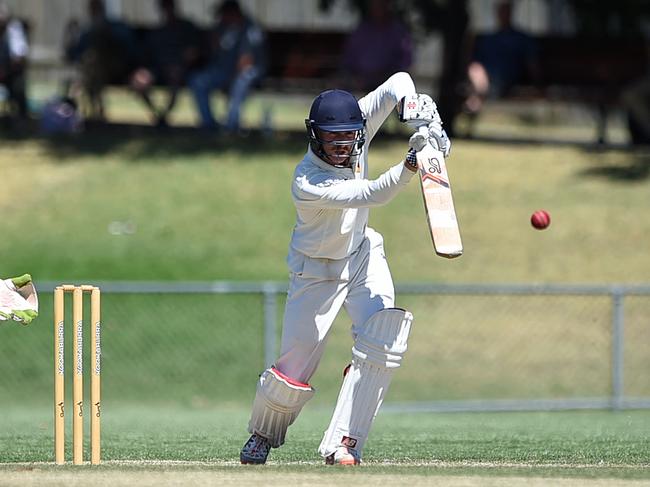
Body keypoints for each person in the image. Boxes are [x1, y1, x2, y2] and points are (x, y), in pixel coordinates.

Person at [239, 72, 451, 466]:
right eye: (331, 140)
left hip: (361, 253)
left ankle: (344, 444)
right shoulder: (309, 180)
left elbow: (398, 81)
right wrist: (411, 162)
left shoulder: (358, 125)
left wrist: (418, 112)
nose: (341, 148)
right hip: (315, 272)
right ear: (315, 136)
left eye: (347, 139)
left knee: (384, 339)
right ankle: (262, 435)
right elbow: (372, 193)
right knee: (295, 367)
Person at [188, 0, 266, 132]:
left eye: (223, 15)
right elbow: (215, 55)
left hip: (247, 73)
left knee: (241, 81)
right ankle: (209, 125)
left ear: (233, 13)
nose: (221, 18)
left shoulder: (251, 29)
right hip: (225, 72)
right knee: (198, 81)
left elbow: (246, 61)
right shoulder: (226, 28)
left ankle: (231, 126)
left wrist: (231, 79)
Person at [131, 0, 201, 128]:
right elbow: (145, 56)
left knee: (174, 76)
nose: (167, 11)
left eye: (169, 6)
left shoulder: (186, 28)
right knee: (139, 80)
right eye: (164, 7)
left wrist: (180, 65)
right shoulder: (157, 32)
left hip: (179, 69)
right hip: (157, 69)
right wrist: (143, 70)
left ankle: (166, 115)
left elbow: (193, 53)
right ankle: (158, 114)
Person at [64, 0, 137, 120]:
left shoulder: (116, 27)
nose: (94, 12)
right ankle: (94, 110)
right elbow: (73, 55)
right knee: (91, 63)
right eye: (92, 9)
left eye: (97, 8)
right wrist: (71, 34)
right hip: (92, 72)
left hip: (117, 70)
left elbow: (130, 50)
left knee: (92, 65)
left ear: (103, 9)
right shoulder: (87, 32)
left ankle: (93, 110)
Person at [464, 0, 539, 115]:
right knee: (476, 69)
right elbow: (474, 60)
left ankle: (476, 100)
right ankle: (478, 97)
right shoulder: (489, 39)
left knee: (486, 78)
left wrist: (537, 84)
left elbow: (532, 63)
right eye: (501, 11)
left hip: (506, 78)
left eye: (506, 11)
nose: (503, 14)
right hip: (483, 76)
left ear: (511, 13)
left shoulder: (520, 38)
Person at [339, 0, 412, 92]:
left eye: (381, 4)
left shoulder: (399, 33)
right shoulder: (361, 30)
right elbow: (348, 61)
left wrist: (382, 77)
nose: (378, 7)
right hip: (359, 86)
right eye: (375, 4)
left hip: (387, 87)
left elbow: (405, 63)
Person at [0, 1, 28, 119]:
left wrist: (6, 69)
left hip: (10, 73)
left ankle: (21, 117)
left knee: (18, 84)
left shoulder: (14, 29)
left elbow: (20, 54)